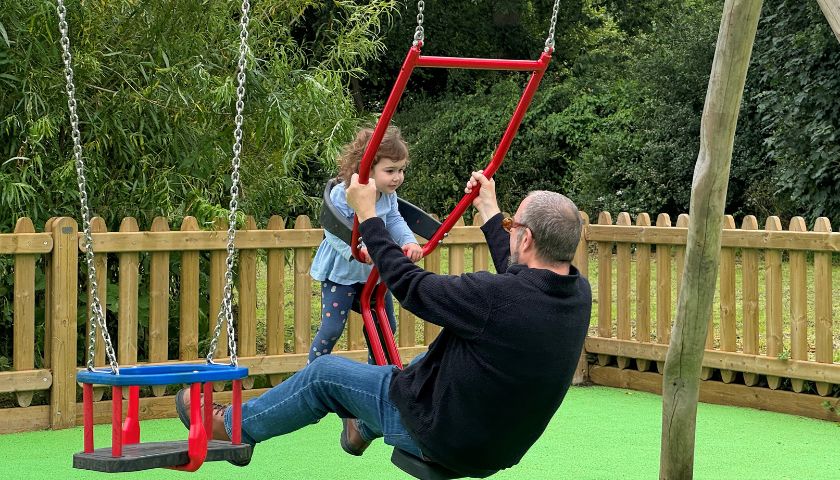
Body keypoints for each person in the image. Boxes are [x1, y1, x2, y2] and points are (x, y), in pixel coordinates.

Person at [175, 171, 592, 477]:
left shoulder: (494, 298)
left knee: (324, 375)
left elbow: (411, 285)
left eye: (510, 227)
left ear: (526, 239)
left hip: (440, 433)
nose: (509, 233)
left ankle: (230, 428)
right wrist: (490, 211)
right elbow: (518, 275)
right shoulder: (575, 294)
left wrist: (369, 217)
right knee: (434, 356)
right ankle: (361, 425)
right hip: (496, 447)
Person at [308, 126, 423, 364]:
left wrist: (409, 241)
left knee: (384, 327)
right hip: (341, 273)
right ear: (367, 168)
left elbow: (393, 220)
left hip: (372, 274)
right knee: (331, 329)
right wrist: (359, 247)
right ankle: (312, 371)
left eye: (401, 170)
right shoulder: (345, 194)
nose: (397, 177)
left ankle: (375, 374)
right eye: (390, 170)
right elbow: (334, 230)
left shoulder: (387, 195)